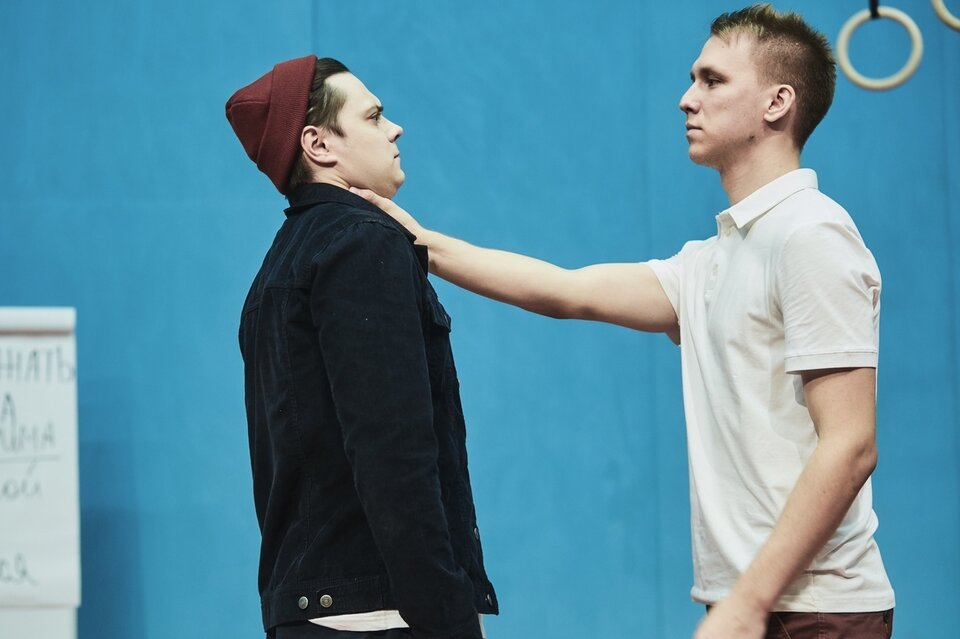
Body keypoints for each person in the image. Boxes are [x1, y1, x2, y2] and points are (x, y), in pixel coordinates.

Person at [353, 5, 894, 639]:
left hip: (818, 610)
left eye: (713, 80)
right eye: (693, 79)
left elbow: (850, 446)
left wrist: (750, 601)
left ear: (777, 103)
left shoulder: (811, 234)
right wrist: (413, 237)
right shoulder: (715, 260)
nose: (687, 98)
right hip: (757, 603)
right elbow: (566, 291)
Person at [225, 55, 498, 639]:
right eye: (373, 117)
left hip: (310, 610)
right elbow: (393, 452)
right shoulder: (362, 246)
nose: (395, 128)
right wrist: (450, 618)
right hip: (378, 616)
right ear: (318, 144)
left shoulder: (278, 267)